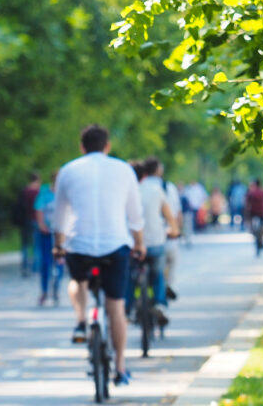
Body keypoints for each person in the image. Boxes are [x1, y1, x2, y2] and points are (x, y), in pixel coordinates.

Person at [52, 125, 145, 387]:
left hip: (78, 245)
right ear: (108, 146)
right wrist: (140, 244)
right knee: (115, 306)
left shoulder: (68, 171)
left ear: (82, 147)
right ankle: (119, 366)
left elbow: (60, 217)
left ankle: (81, 321)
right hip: (115, 246)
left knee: (77, 282)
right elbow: (136, 216)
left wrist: (59, 245)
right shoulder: (124, 170)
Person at [127, 158, 179, 324]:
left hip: (132, 244)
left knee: (129, 277)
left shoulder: (126, 191)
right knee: (158, 274)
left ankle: (127, 308)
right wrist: (175, 231)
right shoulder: (157, 190)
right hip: (155, 242)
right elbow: (169, 216)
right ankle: (159, 302)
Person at [33, 171, 64, 306]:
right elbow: (39, 210)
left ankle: (56, 289)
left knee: (60, 261)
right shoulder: (45, 193)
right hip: (47, 232)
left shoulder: (66, 193)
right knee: (45, 263)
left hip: (62, 233)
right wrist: (41, 225)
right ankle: (44, 291)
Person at [157, 165, 183, 301]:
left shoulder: (139, 186)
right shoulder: (169, 188)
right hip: (166, 236)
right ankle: (169, 287)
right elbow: (176, 213)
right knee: (171, 259)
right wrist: (177, 231)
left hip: (145, 239)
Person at [15, 173, 41, 278]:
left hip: (26, 221)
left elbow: (19, 206)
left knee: (25, 245)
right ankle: (35, 268)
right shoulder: (38, 192)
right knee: (36, 246)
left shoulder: (24, 191)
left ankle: (25, 267)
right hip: (36, 220)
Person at [245, 179, 263, 256]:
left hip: (253, 213)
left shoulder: (251, 193)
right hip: (262, 213)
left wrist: (247, 215)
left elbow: (247, 204)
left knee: (252, 229)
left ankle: (258, 239)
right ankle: (261, 240)